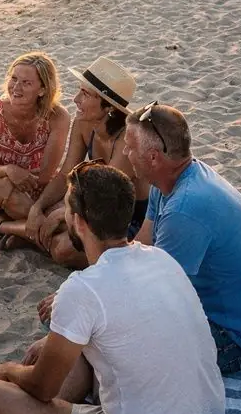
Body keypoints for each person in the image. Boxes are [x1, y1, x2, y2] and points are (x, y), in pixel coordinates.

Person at [0, 163, 225, 414]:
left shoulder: (82, 289)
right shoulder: (160, 259)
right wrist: (53, 341)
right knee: (78, 348)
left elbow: (41, 388)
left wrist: (8, 371)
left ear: (77, 221)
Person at [125, 104, 241, 374]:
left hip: (235, 340)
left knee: (115, 343)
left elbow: (155, 293)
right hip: (218, 313)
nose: (126, 153)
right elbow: (142, 244)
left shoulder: (185, 209)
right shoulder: (169, 180)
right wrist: (93, 284)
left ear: (154, 157)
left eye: (130, 147)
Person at [10, 55, 145, 272]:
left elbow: (101, 196)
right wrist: (38, 207)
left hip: (124, 217)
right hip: (93, 205)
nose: (75, 100)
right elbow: (65, 174)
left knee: (63, 248)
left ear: (109, 107)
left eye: (85, 94)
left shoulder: (127, 141)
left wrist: (58, 216)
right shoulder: (83, 124)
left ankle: (11, 229)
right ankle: (32, 232)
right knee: (42, 208)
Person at [0, 54, 70, 232]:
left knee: (71, 207)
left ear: (42, 90)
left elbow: (46, 173)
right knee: (10, 196)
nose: (16, 87)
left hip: (39, 185)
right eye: (14, 79)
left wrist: (11, 182)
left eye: (26, 83)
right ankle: (48, 232)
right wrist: (8, 172)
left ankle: (10, 228)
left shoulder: (58, 116)